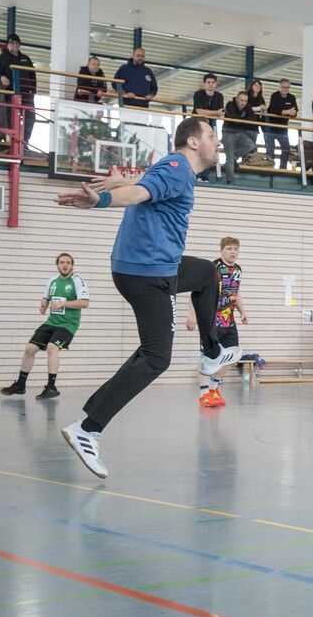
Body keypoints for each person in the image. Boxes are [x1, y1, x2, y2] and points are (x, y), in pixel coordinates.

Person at [54, 116, 220, 478]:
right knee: (156, 357)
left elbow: (146, 185)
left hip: (153, 266)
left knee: (207, 273)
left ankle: (212, 352)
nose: (217, 141)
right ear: (193, 142)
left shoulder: (175, 169)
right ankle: (88, 429)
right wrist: (103, 199)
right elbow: (141, 193)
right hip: (148, 272)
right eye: (211, 135)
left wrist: (122, 182)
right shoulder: (177, 169)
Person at [0, 253, 90, 400]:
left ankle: (51, 388)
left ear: (72, 265)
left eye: (68, 263)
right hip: (51, 322)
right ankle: (20, 385)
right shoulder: (52, 280)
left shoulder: (77, 281)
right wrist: (43, 305)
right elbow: (46, 298)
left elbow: (85, 302)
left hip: (68, 324)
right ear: (57, 265)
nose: (65, 265)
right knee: (30, 348)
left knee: (51, 348)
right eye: (62, 262)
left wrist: (63, 303)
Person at [186, 238, 247, 408]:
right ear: (221, 251)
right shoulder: (212, 269)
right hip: (211, 321)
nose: (232, 252)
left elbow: (235, 292)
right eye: (229, 248)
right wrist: (192, 315)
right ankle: (203, 394)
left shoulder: (238, 270)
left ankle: (214, 388)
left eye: (235, 249)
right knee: (208, 356)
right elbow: (196, 292)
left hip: (229, 321)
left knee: (232, 355)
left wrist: (242, 311)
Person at [0, 33, 37, 140]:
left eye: (16, 43)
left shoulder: (26, 59)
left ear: (19, 45)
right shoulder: (1, 58)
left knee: (30, 119)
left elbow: (33, 76)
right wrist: (1, 77)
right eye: (11, 43)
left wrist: (33, 91)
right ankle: (11, 142)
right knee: (10, 119)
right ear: (7, 44)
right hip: (10, 95)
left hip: (26, 96)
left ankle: (24, 142)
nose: (14, 45)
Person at [222, 91, 257, 185]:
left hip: (240, 133)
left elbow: (253, 119)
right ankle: (230, 181)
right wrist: (244, 121)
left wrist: (239, 121)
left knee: (251, 145)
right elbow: (233, 118)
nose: (243, 103)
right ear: (237, 99)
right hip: (228, 132)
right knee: (229, 157)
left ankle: (235, 158)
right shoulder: (230, 104)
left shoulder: (248, 106)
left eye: (245, 101)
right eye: (241, 100)